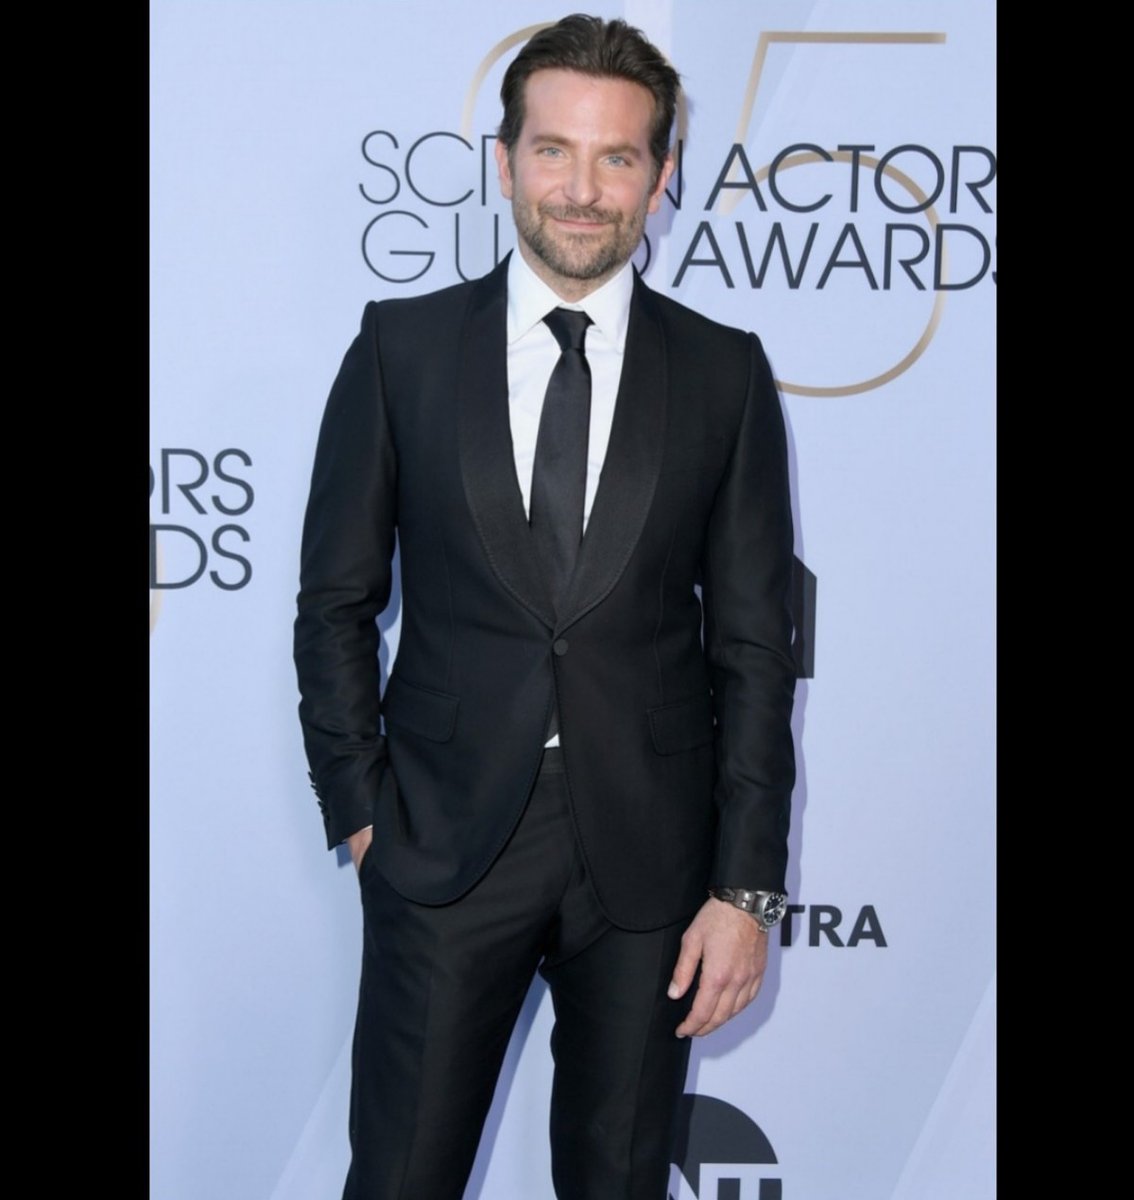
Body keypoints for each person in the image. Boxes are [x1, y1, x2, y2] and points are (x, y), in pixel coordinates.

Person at [294, 13, 796, 1199]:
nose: (582, 189)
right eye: (554, 151)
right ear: (506, 160)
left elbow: (754, 649)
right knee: (401, 1177)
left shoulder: (723, 372)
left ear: (661, 177)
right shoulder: (403, 350)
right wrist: (362, 811)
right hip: (441, 843)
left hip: (652, 859)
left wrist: (745, 891)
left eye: (617, 157)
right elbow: (334, 604)